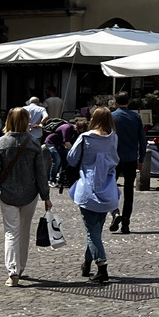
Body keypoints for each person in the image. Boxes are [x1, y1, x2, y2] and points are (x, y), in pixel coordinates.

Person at [0, 107, 52, 287]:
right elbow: (41, 173)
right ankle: (21, 267)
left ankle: (12, 271)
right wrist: (45, 196)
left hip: (7, 193)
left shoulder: (1, 142)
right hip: (30, 194)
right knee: (24, 231)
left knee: (11, 232)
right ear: (26, 122)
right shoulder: (33, 144)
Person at [67, 107, 121, 284]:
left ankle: (102, 266)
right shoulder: (113, 137)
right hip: (107, 188)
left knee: (92, 232)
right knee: (96, 230)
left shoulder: (86, 137)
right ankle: (87, 264)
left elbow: (72, 159)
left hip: (89, 188)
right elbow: (115, 159)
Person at [108, 93, 147, 233]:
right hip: (130, 158)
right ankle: (126, 223)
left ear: (115, 102)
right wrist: (141, 159)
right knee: (129, 191)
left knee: (109, 188)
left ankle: (115, 213)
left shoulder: (112, 117)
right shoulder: (135, 117)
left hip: (114, 158)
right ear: (128, 102)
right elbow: (142, 140)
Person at [44, 117, 78, 185]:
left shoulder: (74, 131)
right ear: (77, 127)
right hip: (51, 143)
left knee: (65, 161)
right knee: (57, 160)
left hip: (59, 144)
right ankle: (52, 180)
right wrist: (75, 152)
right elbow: (67, 143)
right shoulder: (67, 128)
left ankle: (61, 180)